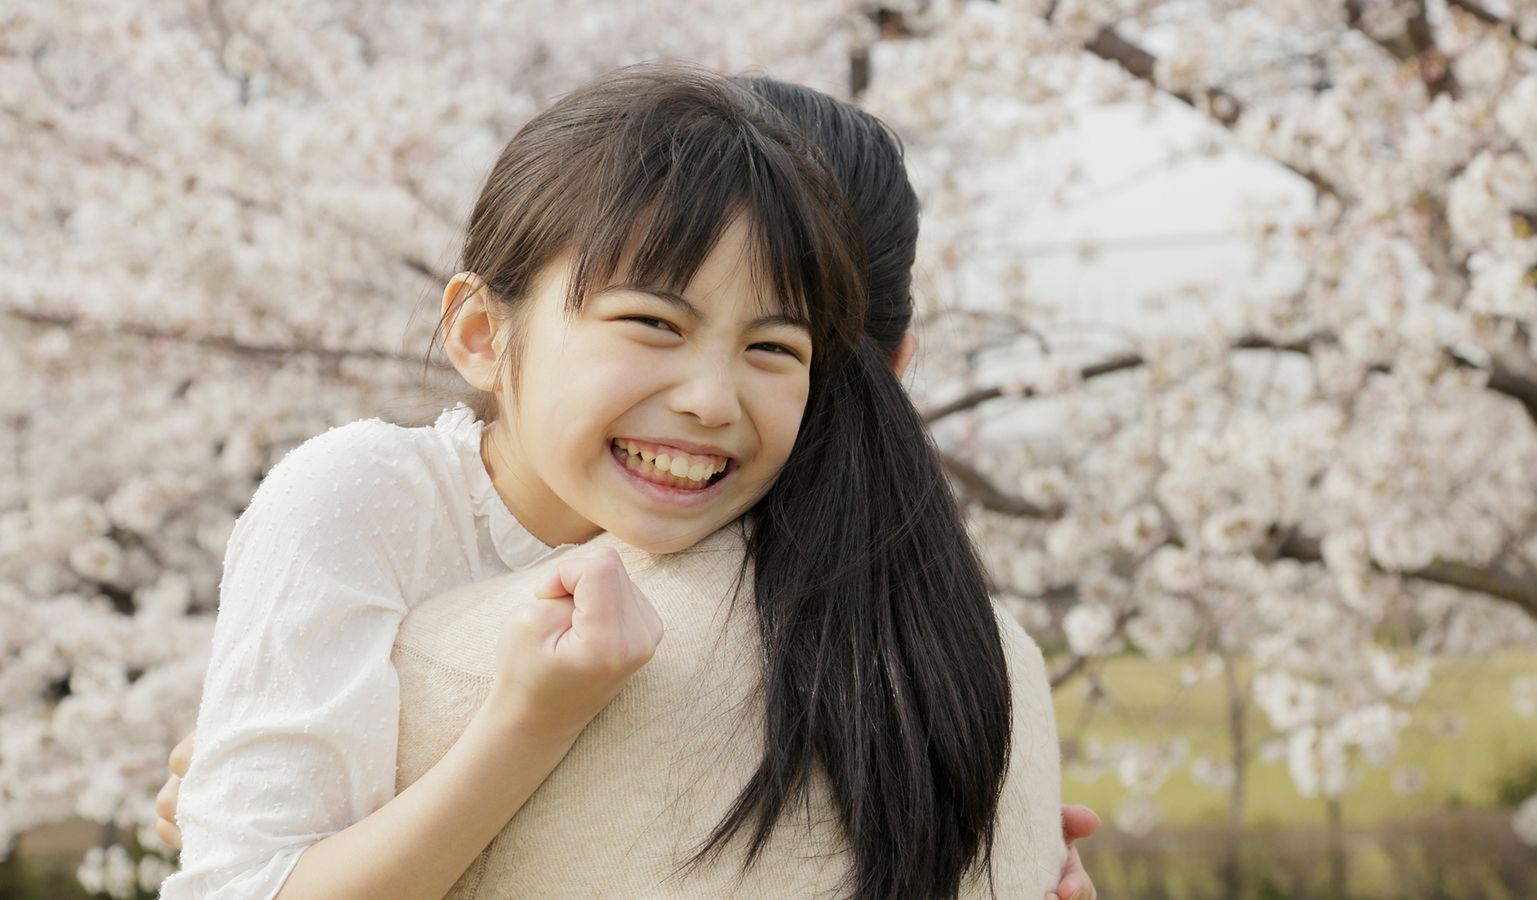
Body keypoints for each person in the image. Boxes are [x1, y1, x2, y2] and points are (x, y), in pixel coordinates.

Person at [157, 65, 1097, 899]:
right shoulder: (364, 498)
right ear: (482, 334)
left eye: (774, 346)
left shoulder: (805, 566)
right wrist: (526, 720)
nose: (709, 400)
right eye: (652, 324)